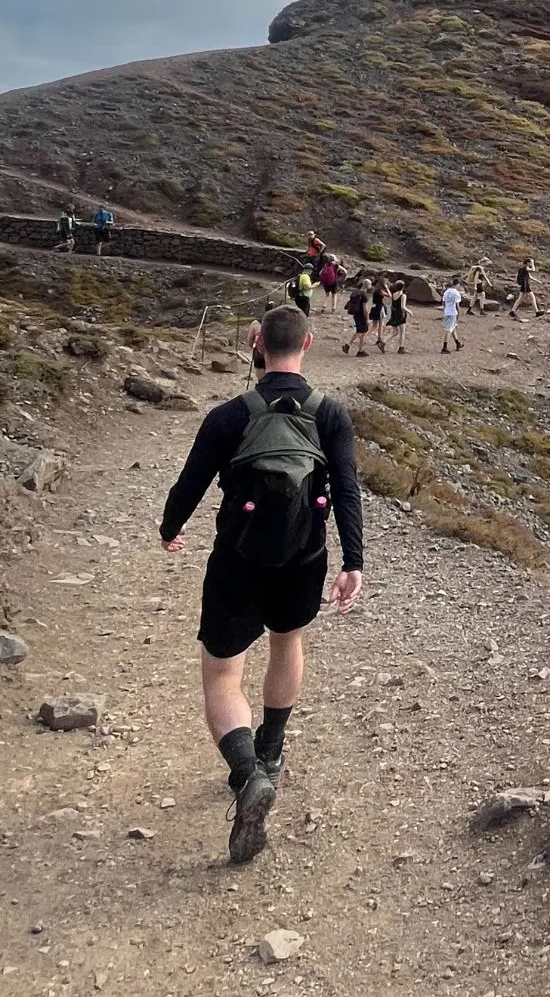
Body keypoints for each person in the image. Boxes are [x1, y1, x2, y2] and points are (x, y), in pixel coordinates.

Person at [158, 304, 363, 865]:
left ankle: (248, 774)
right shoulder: (331, 415)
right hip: (306, 556)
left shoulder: (228, 415)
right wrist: (354, 562)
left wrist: (169, 530)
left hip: (237, 559)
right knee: (287, 643)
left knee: (224, 673)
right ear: (309, 342)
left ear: (257, 344)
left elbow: (190, 484)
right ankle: (270, 754)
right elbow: (346, 491)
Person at [342, 279, 372, 356]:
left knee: (362, 332)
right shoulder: (365, 295)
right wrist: (367, 318)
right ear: (367, 285)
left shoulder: (355, 292)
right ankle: (348, 345)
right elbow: (364, 308)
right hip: (361, 315)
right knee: (360, 331)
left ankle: (361, 350)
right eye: (370, 284)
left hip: (355, 313)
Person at [442, 279, 465, 352]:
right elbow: (457, 305)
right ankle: (444, 347)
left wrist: (445, 310)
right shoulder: (456, 293)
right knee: (448, 329)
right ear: (457, 284)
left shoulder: (446, 292)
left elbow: (444, 303)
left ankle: (458, 343)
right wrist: (459, 313)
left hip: (447, 311)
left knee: (453, 328)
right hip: (452, 312)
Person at [370, 276, 391, 354]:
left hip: (375, 307)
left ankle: (364, 336)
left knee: (374, 325)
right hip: (379, 308)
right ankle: (379, 339)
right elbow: (390, 296)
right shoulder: (380, 290)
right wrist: (387, 288)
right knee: (380, 324)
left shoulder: (376, 290)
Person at [388, 280, 409, 354]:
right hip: (401, 315)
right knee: (402, 332)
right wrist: (409, 312)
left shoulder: (394, 294)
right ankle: (401, 348)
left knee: (395, 331)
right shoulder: (403, 296)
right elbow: (403, 307)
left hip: (394, 313)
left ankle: (383, 342)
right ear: (403, 287)